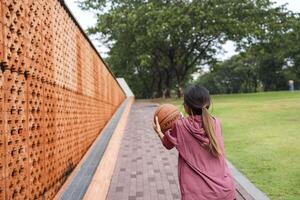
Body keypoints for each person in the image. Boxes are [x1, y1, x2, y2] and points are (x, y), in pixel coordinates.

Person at [153, 85, 235, 200]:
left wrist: (159, 131)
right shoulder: (216, 123)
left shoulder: (180, 126)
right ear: (208, 103)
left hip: (198, 195)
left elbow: (168, 144)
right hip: (226, 192)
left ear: (186, 107)